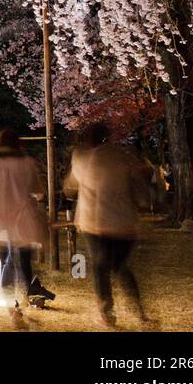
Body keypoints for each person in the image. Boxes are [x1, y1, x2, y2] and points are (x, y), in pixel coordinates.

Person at [65, 122, 155, 328]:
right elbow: (140, 188)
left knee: (100, 265)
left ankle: (106, 311)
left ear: (88, 139)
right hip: (123, 222)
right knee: (120, 266)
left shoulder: (81, 159)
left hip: (93, 223)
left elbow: (69, 187)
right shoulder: (123, 157)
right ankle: (138, 309)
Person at [0, 128, 52, 328]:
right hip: (21, 218)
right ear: (18, 142)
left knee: (5, 259)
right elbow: (38, 190)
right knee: (24, 262)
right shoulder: (26, 162)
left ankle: (11, 306)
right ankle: (22, 303)